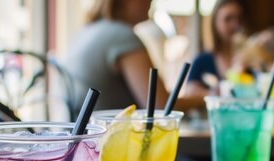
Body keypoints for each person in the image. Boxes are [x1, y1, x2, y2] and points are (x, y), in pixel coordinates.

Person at [63, 0, 204, 111]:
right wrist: (203, 99)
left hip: (81, 139)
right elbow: (160, 106)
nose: (151, 1)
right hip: (107, 141)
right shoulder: (121, 36)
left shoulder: (86, 31)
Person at [186, 0, 244, 96]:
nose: (235, 25)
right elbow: (189, 92)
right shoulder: (202, 60)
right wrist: (213, 94)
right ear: (215, 22)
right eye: (228, 19)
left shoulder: (250, 59)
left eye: (239, 18)